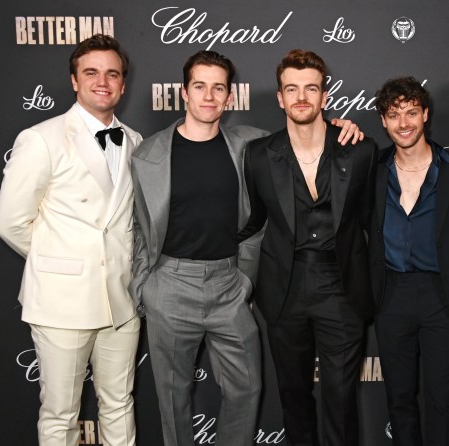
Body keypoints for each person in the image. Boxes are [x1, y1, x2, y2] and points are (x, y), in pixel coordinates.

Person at [129, 50, 363, 446]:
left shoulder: (251, 145)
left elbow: (303, 136)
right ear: (184, 93)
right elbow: (137, 225)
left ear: (229, 97)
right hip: (169, 284)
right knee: (172, 398)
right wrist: (144, 286)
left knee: (247, 389)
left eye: (218, 87)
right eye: (199, 86)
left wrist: (342, 127)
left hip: (229, 284)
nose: (208, 95)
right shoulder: (147, 153)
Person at [0, 34, 142, 445]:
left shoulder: (135, 142)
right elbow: (9, 222)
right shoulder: (41, 137)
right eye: (91, 72)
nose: (103, 81)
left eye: (113, 74)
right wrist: (61, 261)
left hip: (121, 302)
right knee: (60, 413)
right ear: (74, 81)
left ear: (123, 84)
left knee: (119, 403)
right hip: (62, 302)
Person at [238, 49, 377, 446]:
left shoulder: (359, 149)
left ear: (325, 97)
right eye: (292, 89)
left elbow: (372, 223)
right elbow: (254, 221)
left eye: (311, 88)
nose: (302, 97)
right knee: (294, 398)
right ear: (280, 98)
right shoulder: (259, 155)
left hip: (343, 289)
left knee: (341, 399)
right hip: (284, 290)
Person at [369, 77, 449, 445]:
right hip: (391, 294)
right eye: (394, 115)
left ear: (425, 114)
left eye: (411, 112)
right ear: (383, 121)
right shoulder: (373, 170)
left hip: (441, 295)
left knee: (442, 400)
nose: (404, 123)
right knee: (399, 399)